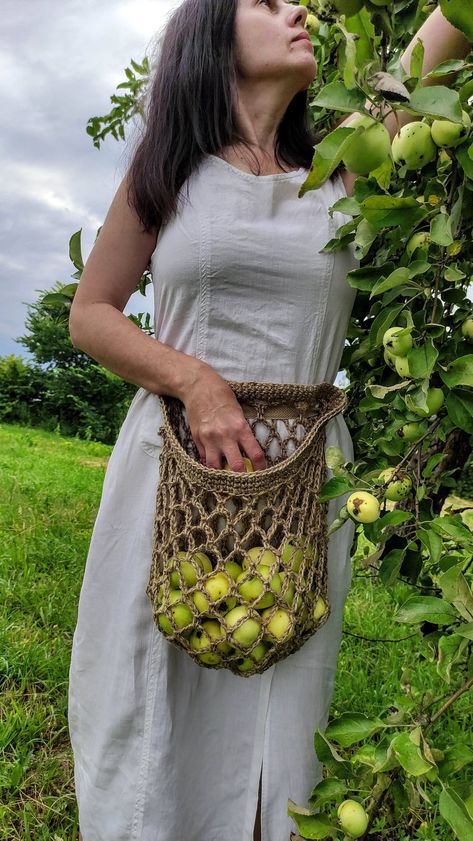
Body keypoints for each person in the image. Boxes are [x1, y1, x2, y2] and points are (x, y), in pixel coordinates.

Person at [67, 2, 469, 840]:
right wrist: (195, 382)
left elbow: (446, 29)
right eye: (265, 0)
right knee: (150, 690)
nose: (296, 11)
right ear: (211, 32)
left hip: (300, 479)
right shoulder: (169, 165)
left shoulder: (343, 163)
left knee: (276, 695)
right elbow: (93, 314)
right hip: (175, 466)